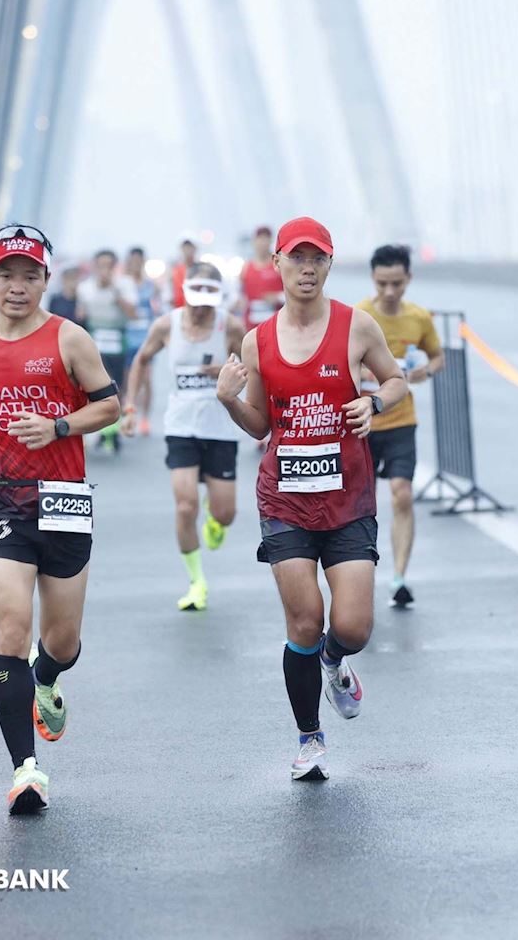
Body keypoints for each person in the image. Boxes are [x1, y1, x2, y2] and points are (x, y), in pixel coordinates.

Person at [216, 216, 407, 781]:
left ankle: (334, 660)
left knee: (352, 628)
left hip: (348, 499)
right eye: (296, 258)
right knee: (304, 620)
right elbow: (258, 425)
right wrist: (229, 401)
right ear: (275, 263)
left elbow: (396, 381)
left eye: (317, 258)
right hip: (286, 501)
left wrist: (373, 404)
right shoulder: (258, 341)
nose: (306, 268)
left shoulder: (356, 326)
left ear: (329, 264)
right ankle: (309, 738)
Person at [0, 223, 121, 814]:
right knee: (10, 628)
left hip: (64, 497)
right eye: (6, 274)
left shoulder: (70, 339)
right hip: (1, 499)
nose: (17, 287)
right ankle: (25, 770)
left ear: (46, 279)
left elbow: (111, 405)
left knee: (61, 641)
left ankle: (48, 676)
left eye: (30, 275)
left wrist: (60, 427)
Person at [124, 262, 245, 610]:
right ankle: (197, 583)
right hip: (181, 427)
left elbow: (255, 367)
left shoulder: (229, 326)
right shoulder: (167, 325)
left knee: (225, 514)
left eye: (210, 296)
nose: (202, 305)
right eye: (196, 295)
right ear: (185, 291)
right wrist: (130, 406)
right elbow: (141, 360)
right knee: (184, 505)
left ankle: (215, 518)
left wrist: (229, 374)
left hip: (221, 427)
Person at [356, 245, 444, 608]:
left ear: (409, 278)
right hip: (362, 421)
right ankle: (360, 579)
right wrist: (369, 373)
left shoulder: (419, 318)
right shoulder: (358, 316)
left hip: (401, 421)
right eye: (382, 283)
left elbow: (438, 357)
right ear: (373, 279)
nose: (390, 291)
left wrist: (425, 371)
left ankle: (399, 578)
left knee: (401, 493)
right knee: (361, 505)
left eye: (397, 283)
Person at [77, 249, 137, 452]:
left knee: (116, 386)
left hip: (116, 339)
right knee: (93, 387)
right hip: (93, 340)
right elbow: (79, 316)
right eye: (101, 265)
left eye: (108, 266)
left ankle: (112, 430)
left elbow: (132, 314)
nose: (104, 270)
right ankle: (97, 428)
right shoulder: (85, 288)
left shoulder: (125, 285)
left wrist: (114, 292)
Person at [123, 246, 160, 437]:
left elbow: (157, 307)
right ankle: (128, 414)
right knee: (128, 378)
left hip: (146, 337)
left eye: (139, 261)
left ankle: (145, 418)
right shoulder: (123, 284)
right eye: (133, 261)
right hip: (128, 337)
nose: (136, 265)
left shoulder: (151, 285)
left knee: (146, 378)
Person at [238, 224, 284, 329]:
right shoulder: (246, 267)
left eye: (266, 239)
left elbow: (293, 291)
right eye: (260, 239)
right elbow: (239, 294)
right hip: (251, 323)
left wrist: (278, 297)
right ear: (254, 241)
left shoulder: (278, 265)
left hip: (275, 323)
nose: (263, 243)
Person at [46, 263, 85, 329]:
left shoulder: (81, 300)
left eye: (75, 278)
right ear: (63, 279)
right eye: (70, 278)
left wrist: (81, 318)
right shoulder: (55, 299)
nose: (73, 282)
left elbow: (83, 326)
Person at [167, 236, 198, 309]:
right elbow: (168, 295)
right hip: (179, 310)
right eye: (185, 247)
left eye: (190, 247)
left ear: (195, 249)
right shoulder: (174, 270)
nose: (187, 250)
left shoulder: (201, 269)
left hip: (197, 312)